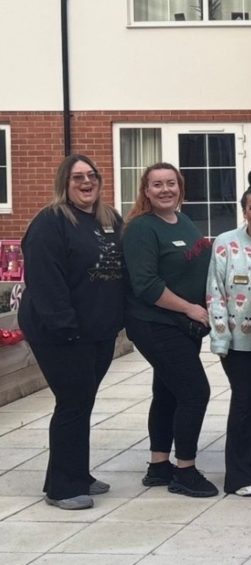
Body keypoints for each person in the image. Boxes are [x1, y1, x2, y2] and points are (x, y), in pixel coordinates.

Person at [18, 155, 125, 510]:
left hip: (99, 331)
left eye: (91, 175)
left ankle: (75, 473)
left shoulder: (109, 219)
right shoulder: (50, 222)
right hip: (60, 332)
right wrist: (65, 328)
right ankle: (63, 488)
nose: (85, 182)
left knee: (83, 402)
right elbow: (46, 281)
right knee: (73, 402)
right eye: (77, 177)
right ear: (64, 182)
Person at [123, 162, 217, 498]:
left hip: (183, 327)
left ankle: (159, 466)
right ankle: (185, 471)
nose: (165, 190)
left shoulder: (184, 221)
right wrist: (191, 308)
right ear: (146, 191)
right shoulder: (141, 229)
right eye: (157, 184)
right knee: (195, 392)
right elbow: (146, 284)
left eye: (171, 183)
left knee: (167, 392)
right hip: (155, 324)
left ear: (180, 187)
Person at [206, 171, 251, 497]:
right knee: (244, 403)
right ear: (244, 212)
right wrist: (220, 337)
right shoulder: (225, 244)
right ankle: (237, 476)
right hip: (237, 341)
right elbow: (215, 292)